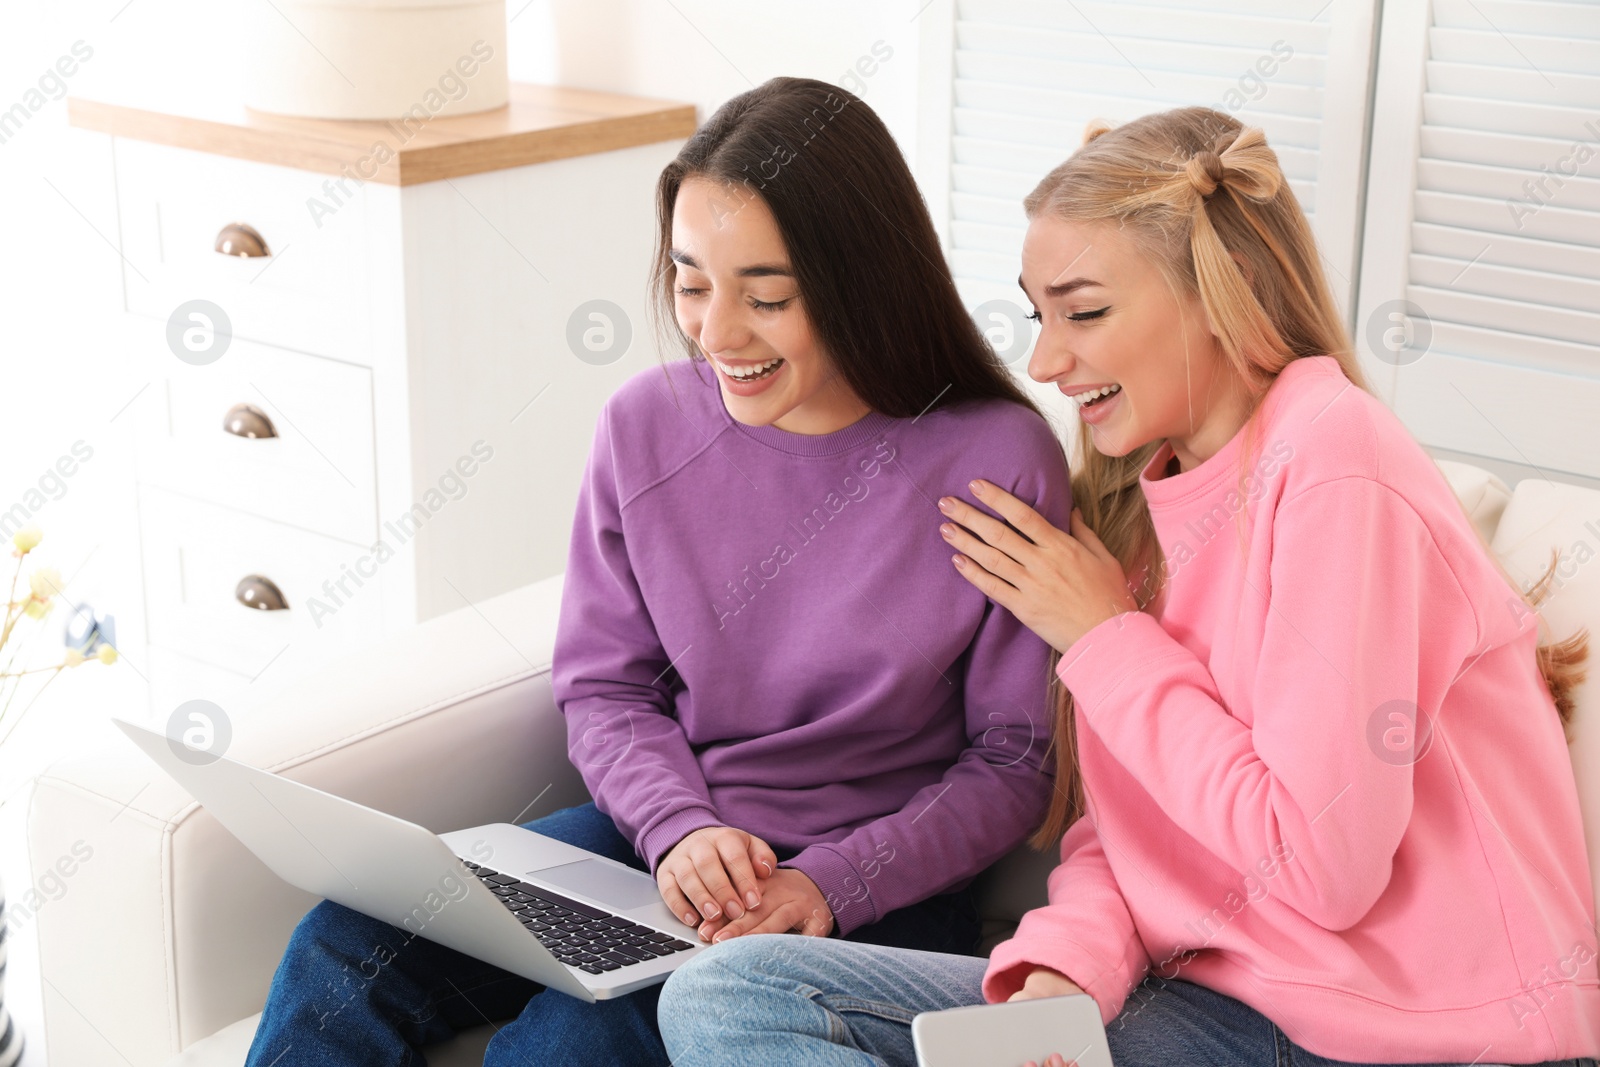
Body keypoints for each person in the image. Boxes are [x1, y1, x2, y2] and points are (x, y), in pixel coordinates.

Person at [656, 106, 1600, 1067]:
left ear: (1217, 295)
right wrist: (1062, 973)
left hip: (1418, 1037)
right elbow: (1139, 835)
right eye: (1039, 314)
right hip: (1214, 1008)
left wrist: (1107, 635)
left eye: (1086, 312)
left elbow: (1322, 867)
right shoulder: (1139, 511)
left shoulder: (1333, 460)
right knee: (730, 996)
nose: (1045, 362)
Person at [242, 76, 1071, 1066]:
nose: (717, 334)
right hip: (662, 848)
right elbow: (605, 680)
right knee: (343, 940)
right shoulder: (643, 427)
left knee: (568, 1046)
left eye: (766, 296)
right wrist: (676, 828)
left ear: (861, 279)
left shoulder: (994, 456)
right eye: (689, 280)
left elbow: (1013, 760)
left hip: (869, 895)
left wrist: (830, 882)